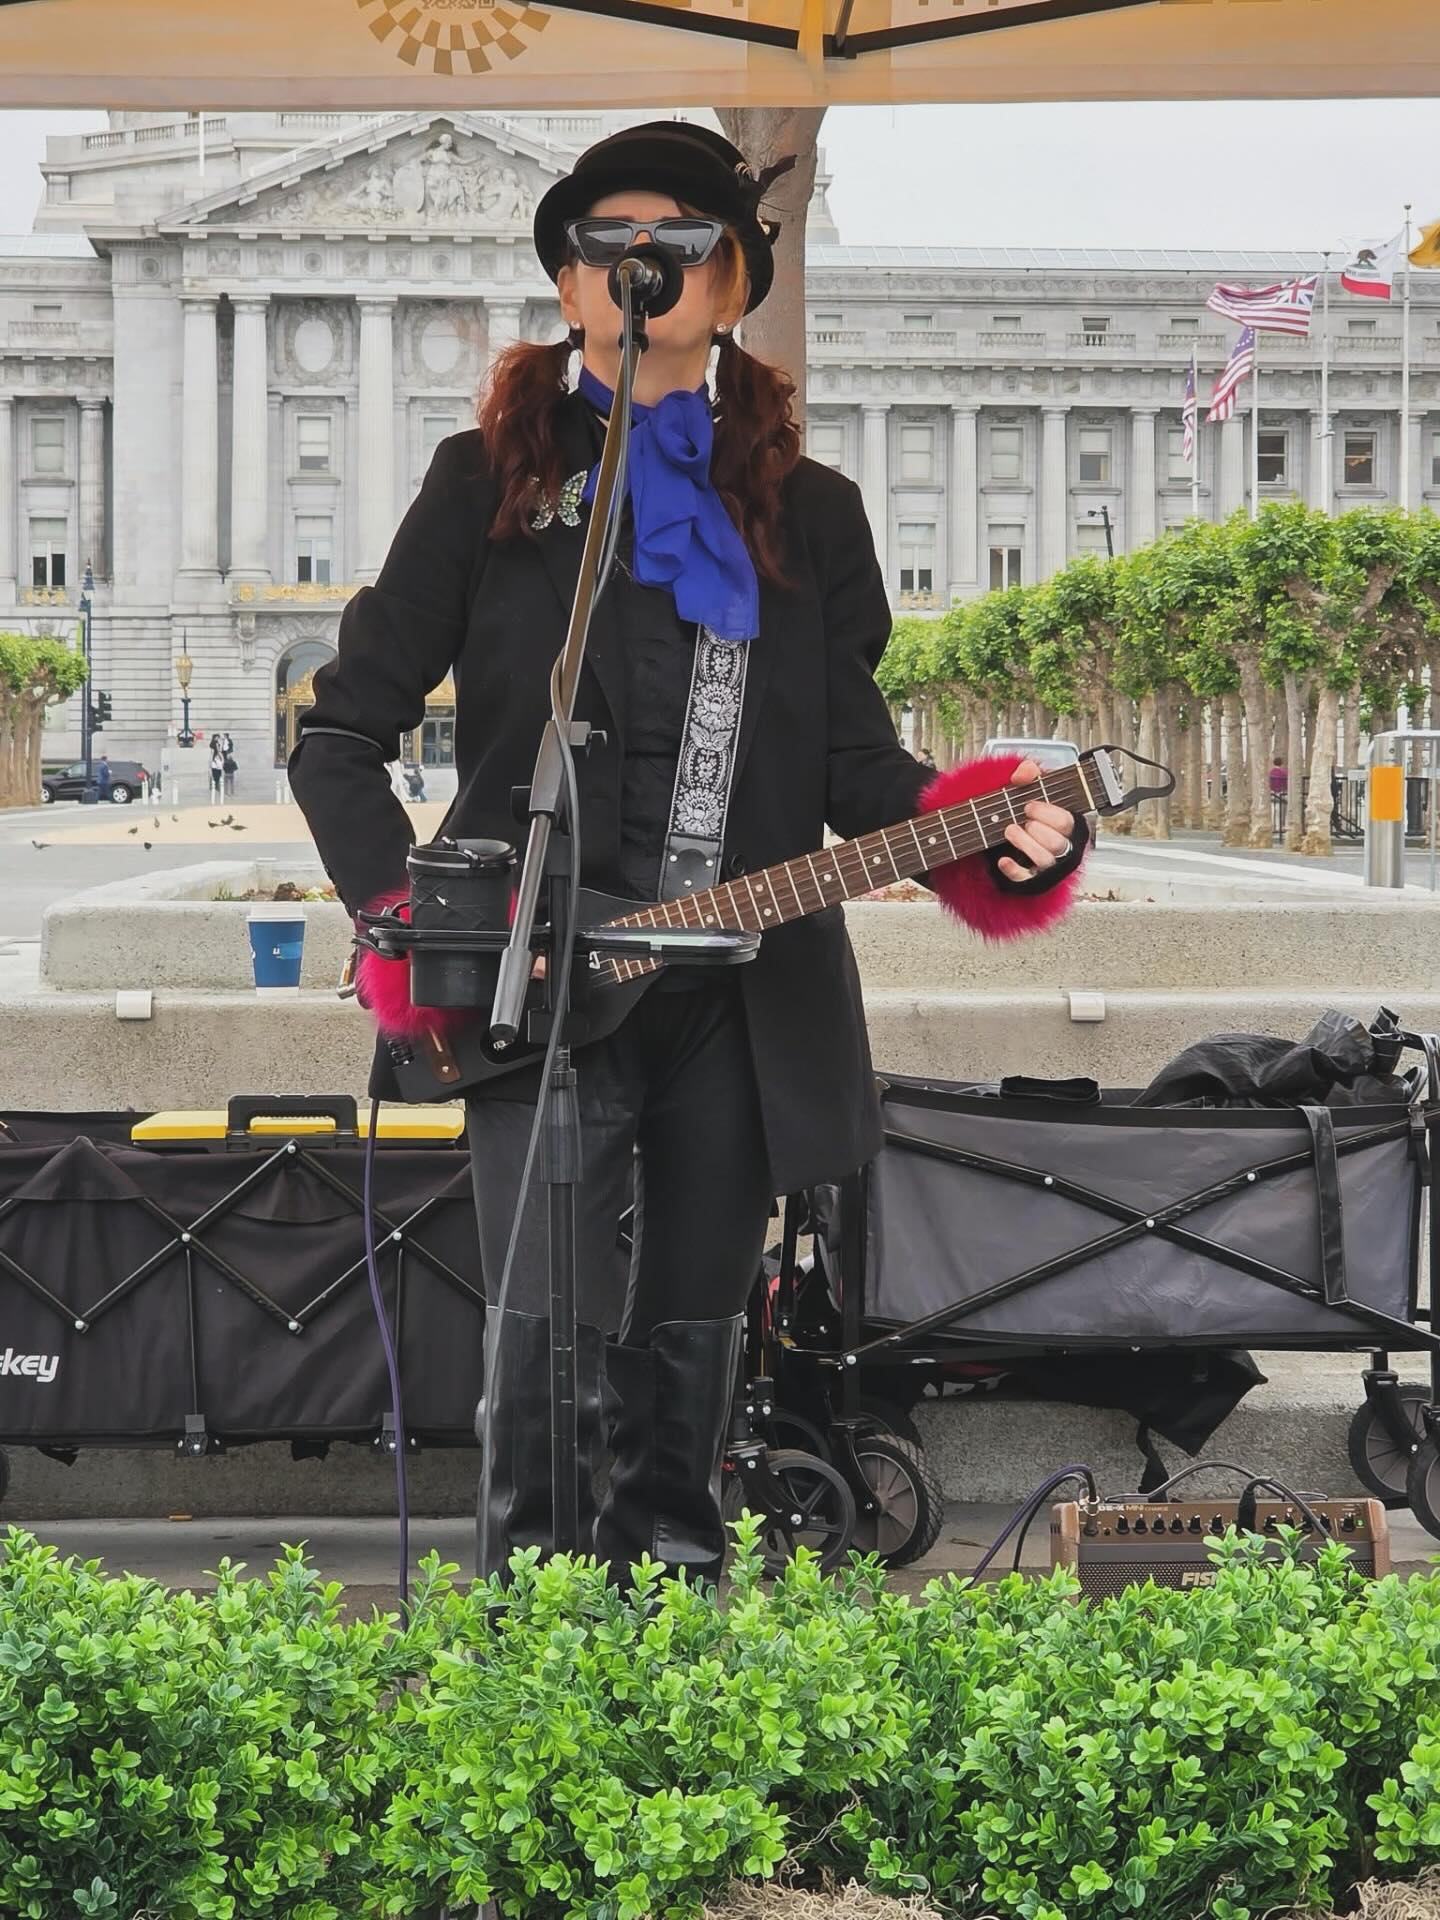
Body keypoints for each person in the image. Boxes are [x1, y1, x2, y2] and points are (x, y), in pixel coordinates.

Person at [288, 122, 1087, 1589]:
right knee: (543, 1323)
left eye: (681, 242)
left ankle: (677, 1602)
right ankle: (536, 1614)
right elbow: (338, 737)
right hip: (538, 984)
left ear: (729, 286)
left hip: (741, 989)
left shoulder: (818, 514)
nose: (640, 265)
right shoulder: (485, 489)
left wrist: (996, 831)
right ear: (568, 284)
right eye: (607, 242)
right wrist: (406, 917)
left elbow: (856, 769)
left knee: (696, 1321)